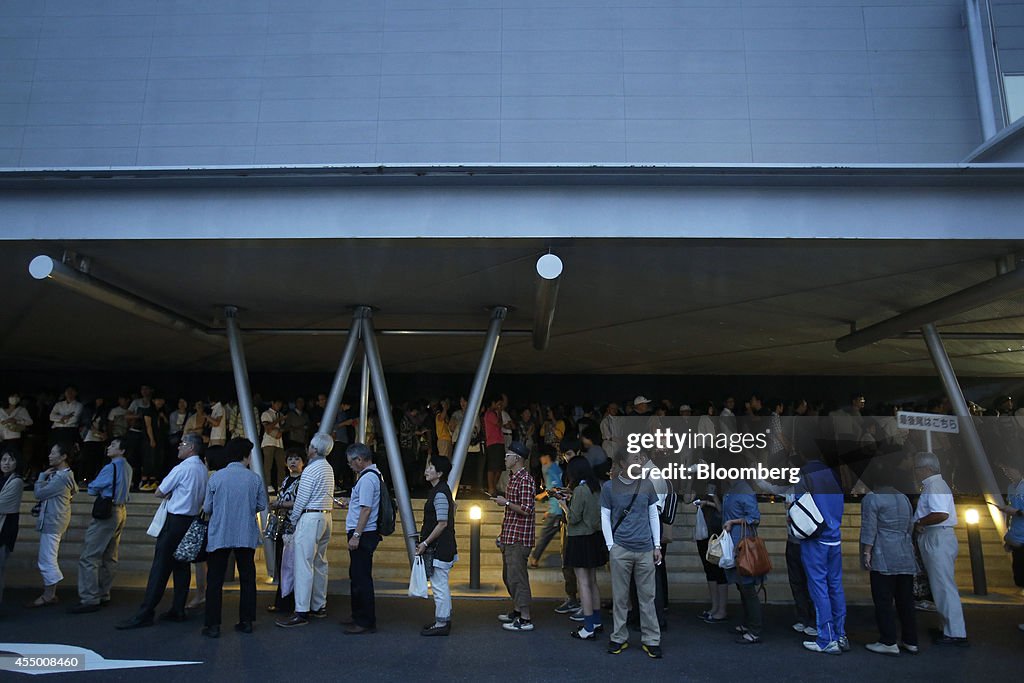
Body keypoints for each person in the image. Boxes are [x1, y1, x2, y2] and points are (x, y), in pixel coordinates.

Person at [117, 433, 207, 629]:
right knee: (181, 566)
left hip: (175, 520)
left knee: (160, 568)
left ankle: (146, 612)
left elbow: (159, 491)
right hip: (190, 520)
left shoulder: (182, 468)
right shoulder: (202, 469)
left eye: (182, 444)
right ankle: (178, 609)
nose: (178, 447)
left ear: (191, 447)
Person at [201, 437, 267, 638]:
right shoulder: (254, 479)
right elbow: (261, 505)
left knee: (215, 580)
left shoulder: (216, 477)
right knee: (247, 578)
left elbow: (207, 508)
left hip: (219, 533)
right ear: (246, 456)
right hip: (245, 534)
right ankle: (246, 621)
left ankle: (213, 625)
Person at [601, 450, 662, 657]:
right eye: (635, 458)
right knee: (620, 598)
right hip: (621, 548)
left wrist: (657, 545)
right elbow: (605, 516)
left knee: (647, 597)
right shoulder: (609, 487)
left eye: (641, 458)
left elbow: (653, 514)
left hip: (645, 548)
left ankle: (652, 638)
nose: (640, 461)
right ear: (622, 463)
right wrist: (611, 546)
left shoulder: (647, 485)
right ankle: (618, 636)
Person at [276, 433, 334, 628]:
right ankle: (319, 605)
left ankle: (301, 610)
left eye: (310, 445)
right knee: (320, 562)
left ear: (314, 449)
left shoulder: (310, 470)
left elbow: (301, 500)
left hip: (310, 518)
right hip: (326, 516)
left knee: (303, 564)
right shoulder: (328, 468)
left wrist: (293, 519)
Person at [69, 438, 132, 613]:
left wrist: (93, 487)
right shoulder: (127, 467)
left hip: (107, 511)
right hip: (121, 509)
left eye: (113, 445)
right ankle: (104, 593)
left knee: (90, 556)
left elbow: (93, 488)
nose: (109, 448)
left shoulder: (110, 467)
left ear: (122, 450)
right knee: (110, 555)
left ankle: (89, 597)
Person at [860, 472, 919, 656]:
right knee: (905, 600)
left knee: (883, 599)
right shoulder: (903, 497)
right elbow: (910, 524)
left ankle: (888, 640)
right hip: (904, 551)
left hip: (883, 551)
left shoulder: (872, 498)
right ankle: (910, 640)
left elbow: (869, 527)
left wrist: (866, 551)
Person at [913, 451, 968, 646]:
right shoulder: (936, 484)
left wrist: (920, 521)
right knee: (941, 585)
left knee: (943, 586)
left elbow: (940, 514)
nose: (916, 472)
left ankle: (955, 632)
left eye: (917, 469)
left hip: (936, 535)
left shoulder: (934, 486)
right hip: (938, 536)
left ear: (926, 468)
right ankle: (948, 628)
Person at [799, 457, 847, 655]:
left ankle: (826, 638)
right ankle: (840, 634)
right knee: (835, 586)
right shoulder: (833, 475)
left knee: (819, 588)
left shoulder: (805, 474)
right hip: (834, 536)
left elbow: (798, 505)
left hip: (815, 539)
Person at [560, 455, 606, 640]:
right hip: (594, 537)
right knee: (592, 581)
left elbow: (574, 517)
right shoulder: (596, 488)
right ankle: (596, 620)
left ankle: (588, 627)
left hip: (579, 539)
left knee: (583, 583)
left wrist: (564, 505)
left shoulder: (580, 490)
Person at [29, 442, 78, 607]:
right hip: (55, 519)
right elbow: (74, 491)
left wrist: (41, 477)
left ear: (63, 457)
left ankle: (49, 594)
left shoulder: (61, 477)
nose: (50, 456)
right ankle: (50, 593)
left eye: (53, 453)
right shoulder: (65, 475)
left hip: (53, 521)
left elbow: (39, 494)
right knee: (48, 557)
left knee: (46, 559)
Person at [495, 448, 536, 632]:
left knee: (517, 578)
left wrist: (507, 503)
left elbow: (527, 509)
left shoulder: (525, 479)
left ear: (517, 458)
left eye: (507, 455)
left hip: (519, 537)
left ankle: (525, 618)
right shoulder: (514, 478)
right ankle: (518, 611)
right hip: (511, 534)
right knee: (510, 577)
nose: (505, 458)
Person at [417, 454, 458, 636]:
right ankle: (443, 619)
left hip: (439, 547)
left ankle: (441, 623)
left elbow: (442, 523)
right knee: (441, 584)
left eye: (430, 467)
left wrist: (425, 543)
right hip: (445, 545)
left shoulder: (439, 492)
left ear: (439, 473)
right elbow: (452, 511)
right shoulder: (443, 490)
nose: (427, 470)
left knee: (439, 585)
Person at [343, 442, 382, 634]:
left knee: (361, 578)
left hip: (363, 533)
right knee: (358, 576)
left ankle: (364, 620)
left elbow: (366, 509)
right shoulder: (374, 476)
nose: (350, 465)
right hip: (367, 532)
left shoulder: (367, 479)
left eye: (351, 462)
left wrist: (356, 535)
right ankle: (359, 615)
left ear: (359, 460)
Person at [722, 477, 764, 645]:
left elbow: (754, 517)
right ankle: (748, 624)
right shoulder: (732, 488)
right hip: (736, 544)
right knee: (742, 586)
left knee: (747, 588)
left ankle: (754, 629)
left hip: (744, 545)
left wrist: (733, 521)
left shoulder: (743, 489)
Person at [266, 448, 305, 615]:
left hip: (295, 527)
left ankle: (289, 603)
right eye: (290, 459)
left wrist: (279, 504)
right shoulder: (286, 480)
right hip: (284, 526)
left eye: (297, 458)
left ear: (303, 462)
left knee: (290, 565)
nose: (293, 462)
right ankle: (282, 601)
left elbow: (300, 502)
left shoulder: (303, 481)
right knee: (283, 564)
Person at [694, 482, 729, 625]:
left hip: (717, 532)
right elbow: (687, 498)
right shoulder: (699, 483)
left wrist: (710, 499)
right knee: (709, 571)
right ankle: (714, 607)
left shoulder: (722, 486)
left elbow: (723, 510)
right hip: (704, 532)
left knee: (719, 571)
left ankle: (722, 609)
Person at [529, 449, 565, 568]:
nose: (540, 460)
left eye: (542, 457)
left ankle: (534, 559)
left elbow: (555, 488)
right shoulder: (555, 468)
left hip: (556, 510)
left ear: (547, 457)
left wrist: (542, 495)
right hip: (557, 508)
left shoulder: (551, 470)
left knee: (545, 535)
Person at [0, 449, 24, 605]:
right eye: (3, 459)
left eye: (10, 459)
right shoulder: (2, 480)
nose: (6, 463)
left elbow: (2, 505)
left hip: (4, 531)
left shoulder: (16, 481)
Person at [484, 395, 506, 495]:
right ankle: (491, 488)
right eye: (499, 404)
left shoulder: (494, 414)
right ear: (493, 403)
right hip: (493, 443)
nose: (500, 406)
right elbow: (499, 424)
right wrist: (500, 412)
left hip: (499, 442)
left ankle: (493, 486)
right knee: (492, 467)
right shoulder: (490, 414)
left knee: (499, 467)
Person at [1, 393, 33, 457]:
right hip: (1, 438)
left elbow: (30, 422)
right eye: (13, 396)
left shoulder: (21, 410)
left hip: (14, 438)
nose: (15, 398)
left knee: (14, 457)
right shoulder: (1, 410)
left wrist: (17, 421)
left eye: (17, 396)